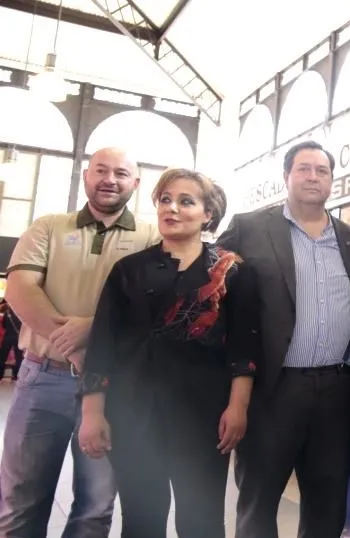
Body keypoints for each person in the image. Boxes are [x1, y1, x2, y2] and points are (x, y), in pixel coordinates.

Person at [76, 170, 258, 537]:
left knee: (202, 520)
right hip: (133, 412)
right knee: (142, 519)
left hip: (203, 414)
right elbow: (103, 345)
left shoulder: (232, 270)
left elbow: (244, 346)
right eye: (165, 200)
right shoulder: (128, 270)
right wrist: (92, 412)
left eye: (186, 201)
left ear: (208, 214)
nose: (172, 208)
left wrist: (238, 407)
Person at [0, 147, 160, 537]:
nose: (110, 179)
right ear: (86, 176)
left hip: (114, 389)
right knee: (20, 499)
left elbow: (157, 307)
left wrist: (92, 328)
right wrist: (75, 348)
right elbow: (21, 289)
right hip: (44, 379)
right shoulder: (49, 227)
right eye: (101, 171)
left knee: (95, 505)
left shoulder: (152, 237)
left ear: (135, 183)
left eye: (121, 173)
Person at [217, 140, 350, 538]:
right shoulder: (249, 228)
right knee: (259, 499)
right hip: (272, 388)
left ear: (333, 180)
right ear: (286, 176)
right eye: (304, 168)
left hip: (337, 392)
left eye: (322, 170)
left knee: (327, 503)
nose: (313, 177)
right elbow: (215, 297)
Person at [0, 300, 24, 381]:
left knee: (2, 356)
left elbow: (4, 325)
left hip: (7, 337)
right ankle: (17, 375)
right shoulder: (21, 313)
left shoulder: (7, 312)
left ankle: (0, 374)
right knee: (19, 357)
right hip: (18, 337)